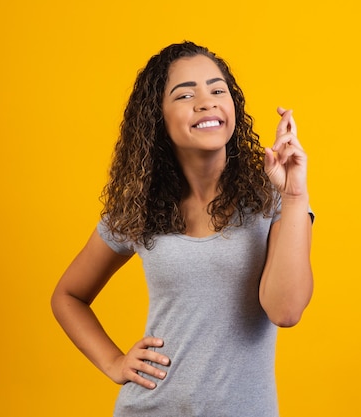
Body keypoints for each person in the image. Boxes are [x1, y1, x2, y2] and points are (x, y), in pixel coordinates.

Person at [51, 41, 314, 416]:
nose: (205, 101)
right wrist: (114, 362)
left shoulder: (274, 196)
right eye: (185, 94)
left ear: (232, 107)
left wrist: (294, 195)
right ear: (158, 117)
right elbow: (68, 296)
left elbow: (285, 311)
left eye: (217, 89)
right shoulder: (141, 206)